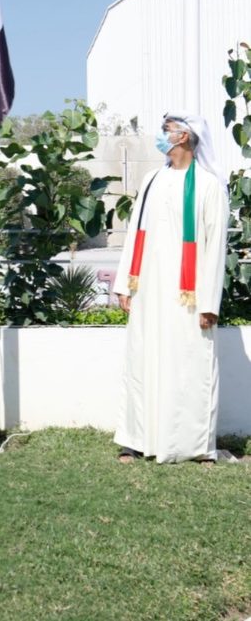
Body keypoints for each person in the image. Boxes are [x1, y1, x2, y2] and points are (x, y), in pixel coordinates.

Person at [112, 112, 229, 464]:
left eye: (166, 131)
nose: (161, 136)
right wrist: (124, 285)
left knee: (189, 364)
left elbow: (214, 247)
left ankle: (193, 445)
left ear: (183, 137)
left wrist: (209, 302)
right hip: (148, 289)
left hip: (188, 297)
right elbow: (134, 233)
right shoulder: (151, 180)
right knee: (142, 360)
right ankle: (136, 438)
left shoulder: (209, 185)